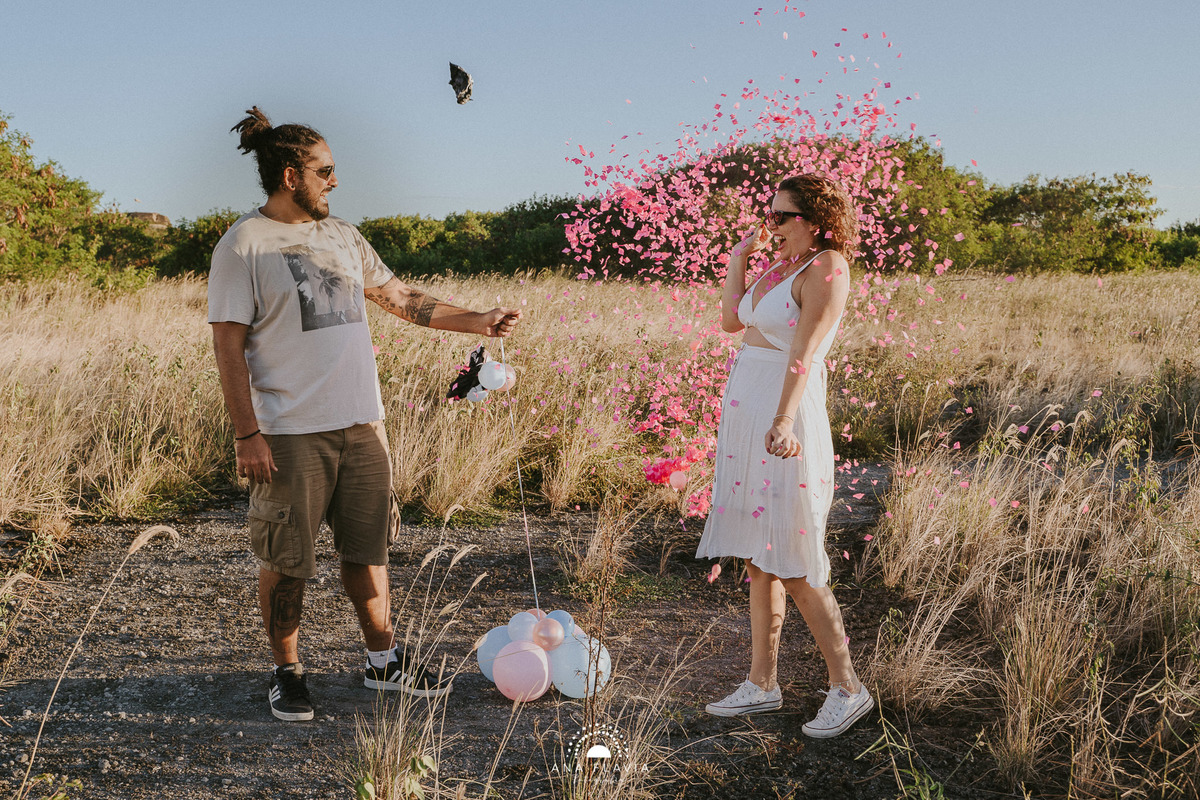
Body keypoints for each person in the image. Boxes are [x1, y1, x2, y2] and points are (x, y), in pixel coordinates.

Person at [208, 107, 521, 722]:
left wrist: (476, 319)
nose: (335, 181)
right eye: (325, 171)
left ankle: (384, 661)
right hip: (290, 432)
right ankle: (287, 672)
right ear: (291, 174)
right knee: (286, 558)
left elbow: (400, 298)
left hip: (362, 426)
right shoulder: (243, 245)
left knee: (368, 549)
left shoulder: (344, 236)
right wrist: (248, 433)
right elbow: (227, 344)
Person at [696, 174, 872, 738]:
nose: (768, 224)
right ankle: (762, 684)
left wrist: (781, 420)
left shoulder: (826, 268)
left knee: (794, 559)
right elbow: (732, 323)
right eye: (767, 214)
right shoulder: (777, 265)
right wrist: (736, 263)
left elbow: (805, 354)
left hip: (783, 417)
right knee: (757, 557)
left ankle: (848, 688)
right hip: (747, 415)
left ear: (813, 219)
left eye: (779, 216)